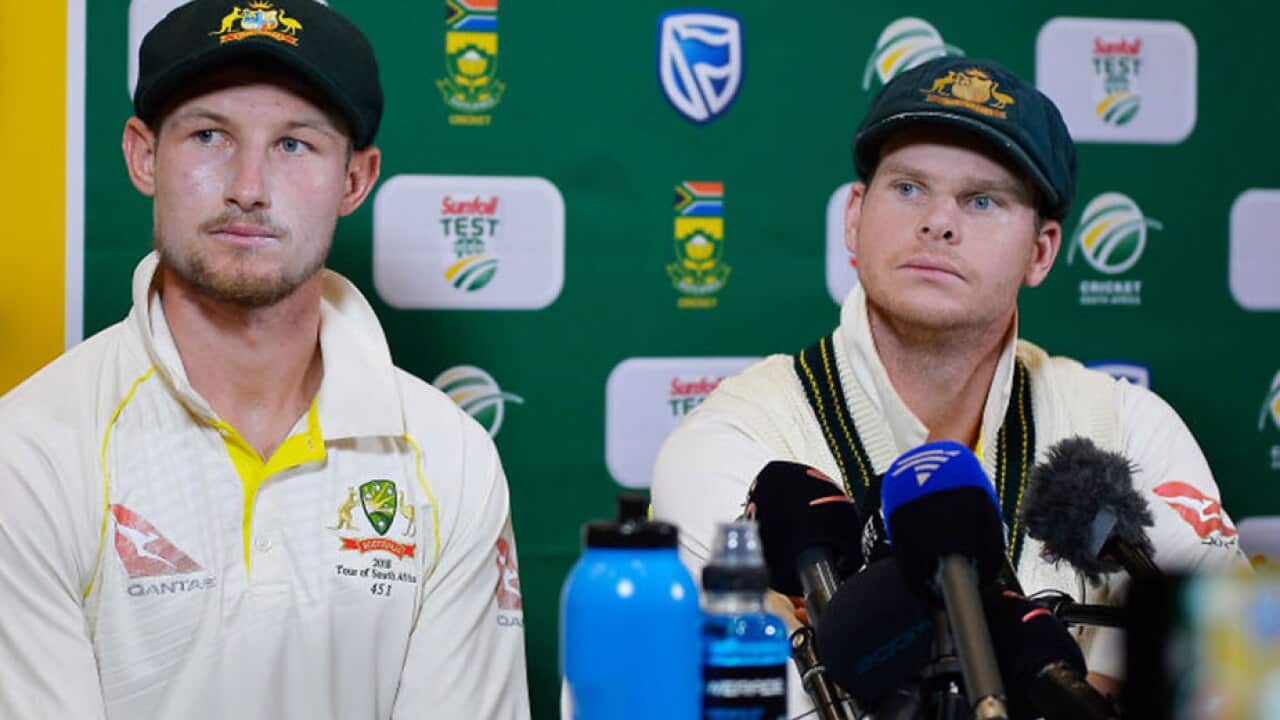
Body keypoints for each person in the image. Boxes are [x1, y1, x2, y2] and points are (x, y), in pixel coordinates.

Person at [651, 56, 1244, 713]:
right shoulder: (739, 441)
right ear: (854, 217)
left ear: (1042, 251)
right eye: (908, 188)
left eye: (982, 200)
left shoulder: (1125, 431)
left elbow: (1232, 685)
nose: (938, 222)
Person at [0, 1, 529, 717]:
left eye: (294, 145)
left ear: (355, 179)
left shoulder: (449, 456)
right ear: (144, 155)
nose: (247, 187)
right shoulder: (28, 451)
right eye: (209, 135)